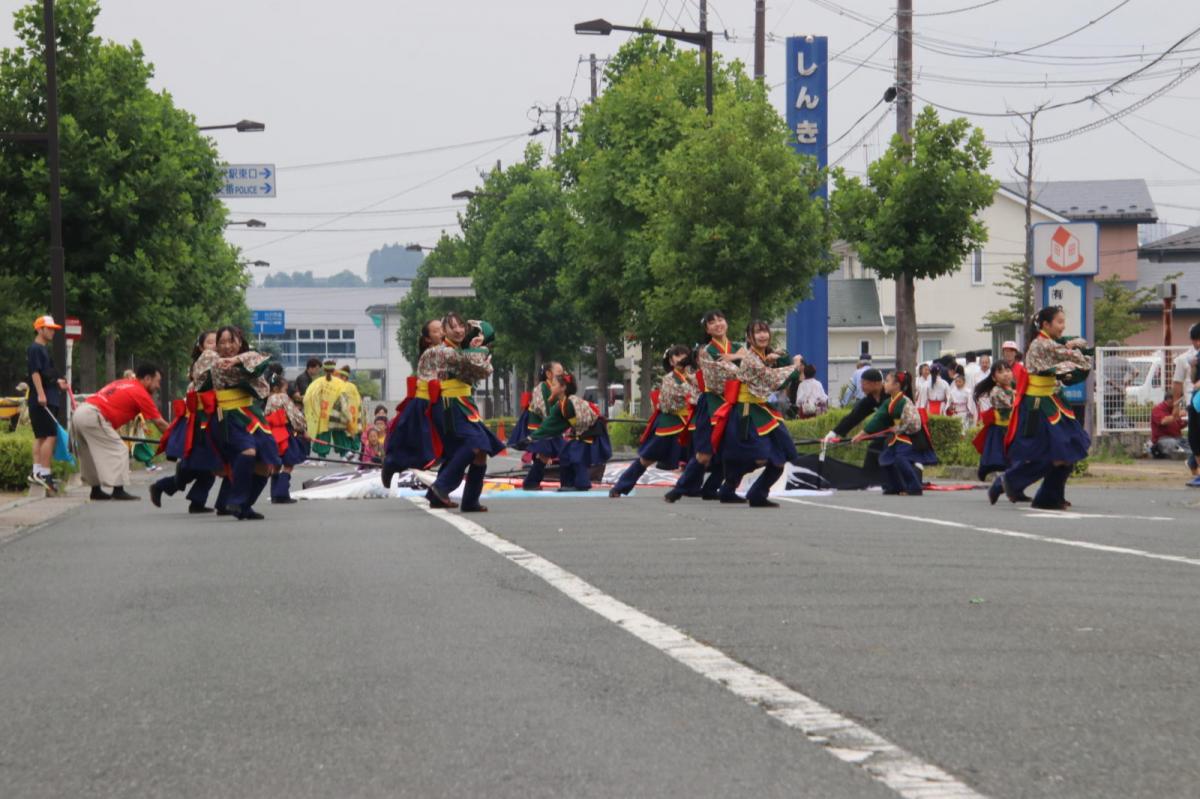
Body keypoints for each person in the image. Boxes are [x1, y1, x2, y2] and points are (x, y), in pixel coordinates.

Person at [1002, 306, 1092, 510]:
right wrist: (1075, 347)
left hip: (1051, 400)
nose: (1063, 326)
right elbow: (1080, 358)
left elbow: (1075, 347)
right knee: (1054, 454)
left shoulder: (1047, 342)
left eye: (1063, 321)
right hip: (1038, 404)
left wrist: (1072, 343)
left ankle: (1048, 496)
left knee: (1063, 452)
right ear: (1046, 324)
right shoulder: (1043, 344)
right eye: (1059, 322)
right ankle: (1014, 482)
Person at [194, 326, 281, 520]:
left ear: (239, 342)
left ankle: (244, 506)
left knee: (265, 465)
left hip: (251, 414)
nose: (226, 346)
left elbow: (260, 362)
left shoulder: (248, 358)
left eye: (231, 341)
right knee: (247, 451)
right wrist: (227, 362)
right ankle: (235, 499)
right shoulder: (211, 358)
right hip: (228, 416)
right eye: (222, 342)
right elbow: (199, 378)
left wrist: (236, 360)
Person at [715, 320, 804, 508]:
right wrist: (795, 366)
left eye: (765, 331)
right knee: (759, 456)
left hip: (762, 410)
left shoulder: (761, 356)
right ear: (749, 337)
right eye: (757, 332)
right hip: (747, 411)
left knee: (781, 457)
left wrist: (775, 359)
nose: (763, 335)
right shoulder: (750, 359)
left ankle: (756, 494)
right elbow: (773, 381)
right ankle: (729, 486)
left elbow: (776, 368)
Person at [423, 313, 503, 512]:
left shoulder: (461, 350)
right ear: (444, 331)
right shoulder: (441, 351)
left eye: (461, 326)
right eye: (453, 327)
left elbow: (484, 369)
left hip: (464, 403)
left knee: (480, 451)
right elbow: (473, 362)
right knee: (475, 444)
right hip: (448, 405)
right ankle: (441, 487)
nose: (459, 330)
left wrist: (476, 349)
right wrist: (480, 348)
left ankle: (468, 500)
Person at [664, 311, 744, 503]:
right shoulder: (706, 351)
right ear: (707, 329)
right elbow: (724, 374)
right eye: (712, 322)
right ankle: (679, 489)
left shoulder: (738, 346)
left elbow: (752, 366)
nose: (718, 324)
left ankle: (714, 489)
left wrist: (733, 356)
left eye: (720, 319)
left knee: (736, 450)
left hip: (734, 403)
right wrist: (739, 359)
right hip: (711, 404)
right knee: (704, 454)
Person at [72, 364, 169, 500]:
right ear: (147, 378)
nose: (158, 386)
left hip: (81, 411)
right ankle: (118, 490)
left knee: (89, 453)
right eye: (157, 381)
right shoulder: (140, 392)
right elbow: (159, 423)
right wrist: (177, 436)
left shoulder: (123, 383)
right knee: (119, 449)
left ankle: (96, 490)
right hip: (93, 415)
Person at [610, 346, 698, 497]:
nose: (681, 358)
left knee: (696, 456)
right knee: (647, 458)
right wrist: (692, 393)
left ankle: (692, 488)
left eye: (684, 355)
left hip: (689, 422)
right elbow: (674, 402)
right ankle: (620, 487)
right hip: (670, 423)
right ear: (671, 361)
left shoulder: (693, 376)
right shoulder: (669, 379)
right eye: (677, 356)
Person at [150, 330, 222, 512]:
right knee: (202, 464)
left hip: (203, 417)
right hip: (201, 420)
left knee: (204, 465)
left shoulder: (206, 361)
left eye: (217, 341)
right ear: (201, 347)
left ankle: (195, 501)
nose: (215, 345)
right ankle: (164, 487)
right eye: (210, 342)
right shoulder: (210, 357)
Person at [381, 319, 444, 487]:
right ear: (428, 339)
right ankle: (392, 466)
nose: (442, 332)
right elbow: (453, 354)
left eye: (442, 328)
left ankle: (444, 479)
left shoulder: (445, 350)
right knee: (417, 445)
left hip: (440, 403)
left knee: (434, 446)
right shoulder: (432, 353)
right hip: (424, 405)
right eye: (437, 331)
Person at [856, 370, 937, 495]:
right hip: (896, 437)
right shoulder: (889, 402)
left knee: (900, 459)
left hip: (908, 438)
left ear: (897, 385)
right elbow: (878, 419)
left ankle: (914, 487)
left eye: (887, 381)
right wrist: (862, 434)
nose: (884, 384)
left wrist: (899, 427)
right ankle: (896, 486)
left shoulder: (905, 401)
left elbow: (915, 422)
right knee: (885, 459)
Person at [529, 373, 611, 492]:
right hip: (580, 431)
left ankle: (582, 484)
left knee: (576, 456)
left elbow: (581, 422)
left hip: (591, 430)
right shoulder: (560, 405)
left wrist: (533, 437)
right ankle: (567, 484)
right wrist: (532, 437)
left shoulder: (571, 403)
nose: (551, 387)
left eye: (554, 385)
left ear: (563, 388)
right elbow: (549, 424)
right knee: (565, 454)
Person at [26, 315, 69, 493]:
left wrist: (57, 382)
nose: (52, 332)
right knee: (50, 436)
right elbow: (35, 372)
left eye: (53, 329)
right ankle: (44, 473)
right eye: (49, 328)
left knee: (42, 436)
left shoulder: (42, 349)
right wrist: (41, 394)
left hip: (46, 397)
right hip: (43, 400)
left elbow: (44, 373)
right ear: (39, 329)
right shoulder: (35, 349)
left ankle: (37, 472)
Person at [510, 360, 565, 491]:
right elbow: (543, 409)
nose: (562, 375)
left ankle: (532, 482)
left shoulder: (558, 387)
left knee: (555, 454)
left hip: (550, 426)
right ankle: (532, 482)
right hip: (540, 427)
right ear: (548, 374)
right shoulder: (541, 388)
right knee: (546, 454)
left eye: (563, 372)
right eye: (559, 372)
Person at [824, 368, 886, 477]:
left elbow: (879, 419)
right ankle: (869, 480)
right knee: (873, 451)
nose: (861, 387)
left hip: (900, 434)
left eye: (864, 384)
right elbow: (853, 417)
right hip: (884, 435)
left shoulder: (890, 396)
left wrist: (862, 434)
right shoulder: (870, 399)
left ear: (876, 384)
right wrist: (834, 432)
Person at [972, 361, 1015, 503]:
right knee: (998, 458)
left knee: (1011, 459)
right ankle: (985, 470)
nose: (1005, 374)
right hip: (999, 429)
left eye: (1007, 370)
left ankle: (1013, 487)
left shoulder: (1013, 387)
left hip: (1012, 427)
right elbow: (1011, 404)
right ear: (994, 377)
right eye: (1000, 372)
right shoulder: (996, 391)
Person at [265, 374, 309, 503]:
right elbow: (295, 416)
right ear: (277, 388)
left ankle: (274, 495)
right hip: (284, 432)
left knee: (276, 465)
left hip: (272, 433)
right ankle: (282, 494)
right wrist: (303, 430)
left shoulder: (269, 399)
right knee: (289, 464)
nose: (286, 391)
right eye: (285, 388)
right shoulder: (282, 397)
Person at [1172, 323, 1200, 480]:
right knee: (1195, 437)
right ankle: (1194, 466)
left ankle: (1192, 463)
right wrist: (1175, 406)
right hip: (1194, 402)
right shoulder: (1184, 359)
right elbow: (1177, 383)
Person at [303, 360, 346, 458]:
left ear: (324, 370)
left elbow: (308, 397)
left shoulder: (317, 382)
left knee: (323, 435)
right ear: (334, 369)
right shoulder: (339, 383)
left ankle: (322, 457)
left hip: (322, 414)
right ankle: (344, 455)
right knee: (340, 434)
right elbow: (344, 398)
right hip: (336, 414)